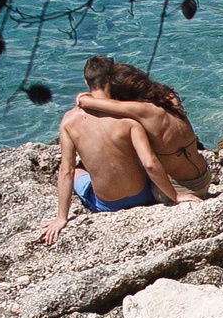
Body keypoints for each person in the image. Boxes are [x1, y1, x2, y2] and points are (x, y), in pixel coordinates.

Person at [39, 56, 206, 244]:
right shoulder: (130, 119)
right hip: (144, 195)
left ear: (87, 82)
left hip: (106, 204)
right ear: (111, 80)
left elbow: (66, 171)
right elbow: (149, 163)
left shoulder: (69, 121)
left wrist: (62, 218)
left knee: (77, 169)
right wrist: (174, 196)